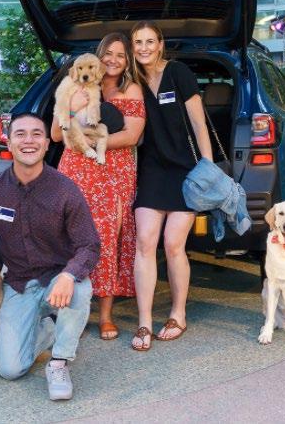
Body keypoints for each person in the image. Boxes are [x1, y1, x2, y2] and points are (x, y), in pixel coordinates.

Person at [0, 112, 100, 401]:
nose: (28, 141)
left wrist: (69, 275)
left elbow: (89, 244)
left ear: (46, 144)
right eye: (20, 134)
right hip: (18, 284)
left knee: (81, 287)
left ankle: (59, 362)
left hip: (57, 280)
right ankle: (49, 328)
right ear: (9, 142)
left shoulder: (65, 190)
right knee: (10, 369)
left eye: (36, 134)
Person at [50, 33, 145, 341]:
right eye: (108, 53)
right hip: (76, 169)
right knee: (70, 235)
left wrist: (89, 143)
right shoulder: (75, 84)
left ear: (127, 61)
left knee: (107, 239)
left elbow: (131, 136)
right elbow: (55, 134)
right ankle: (71, 312)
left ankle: (105, 316)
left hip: (113, 171)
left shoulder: (131, 89)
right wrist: (72, 110)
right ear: (98, 57)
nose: (113, 60)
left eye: (121, 55)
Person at [129, 21, 212, 351]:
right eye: (138, 42)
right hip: (151, 171)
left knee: (173, 244)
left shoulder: (178, 73)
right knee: (145, 243)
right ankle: (144, 321)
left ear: (161, 44)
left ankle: (178, 314)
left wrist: (206, 169)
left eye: (150, 41)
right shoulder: (132, 81)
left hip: (184, 171)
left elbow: (199, 124)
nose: (144, 48)